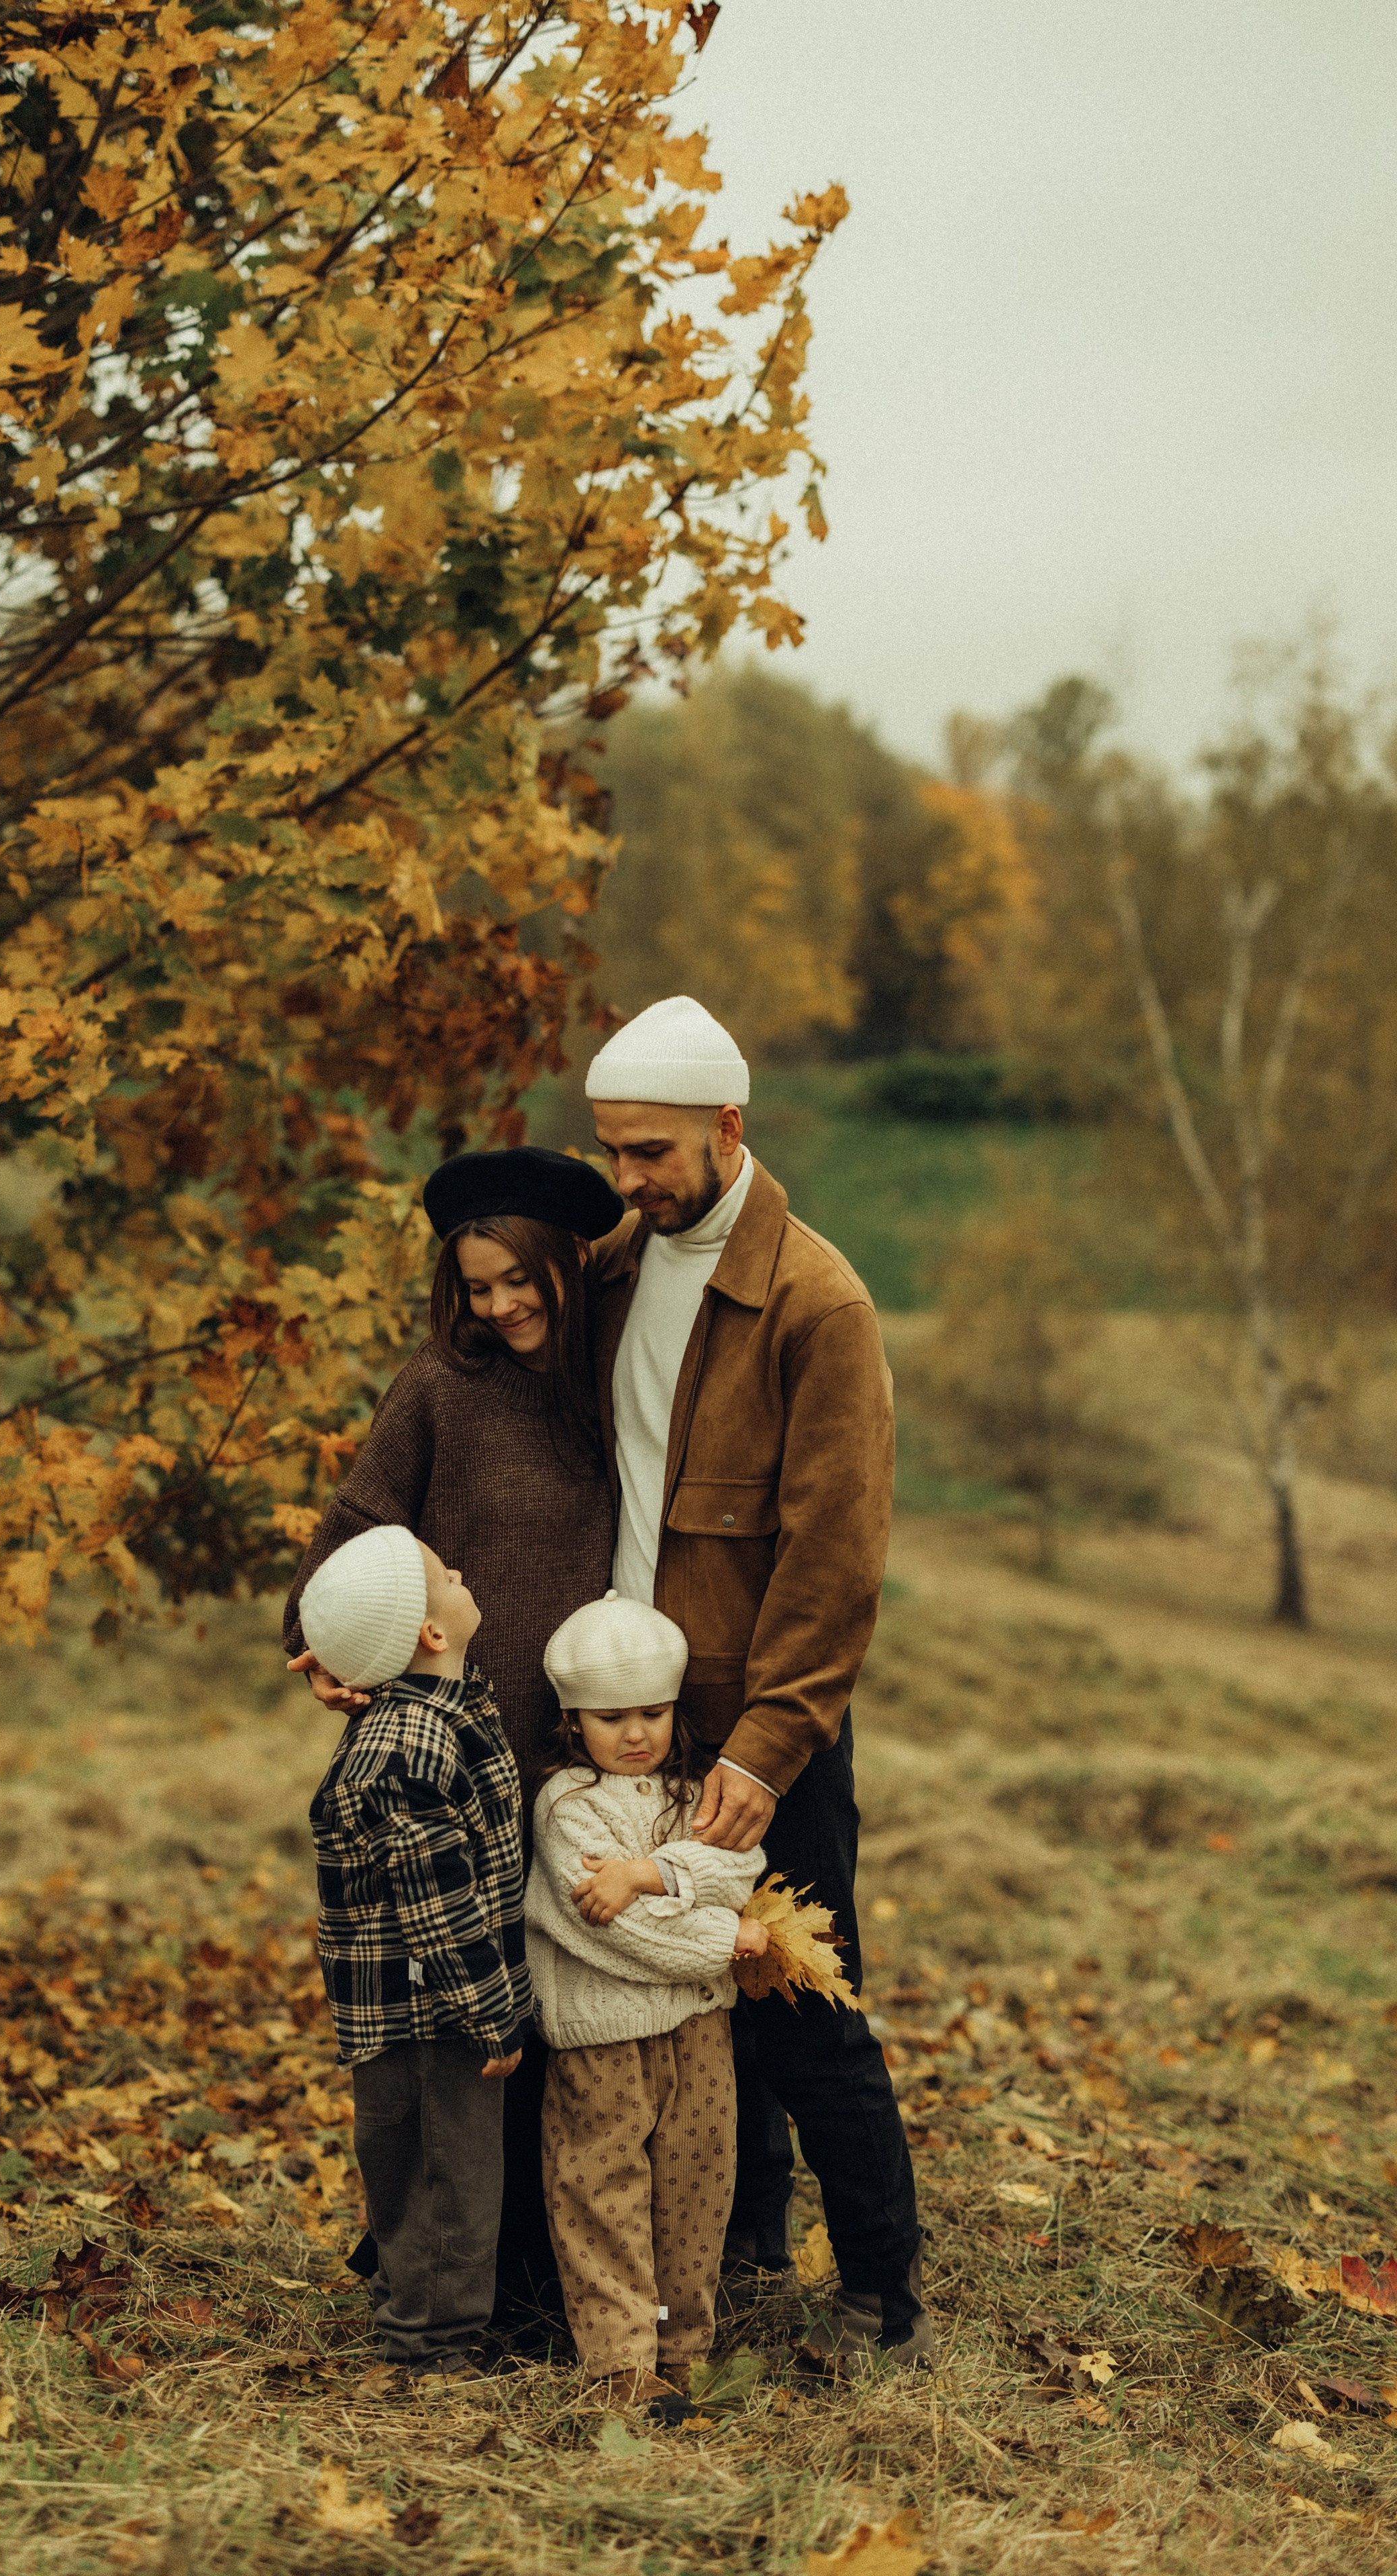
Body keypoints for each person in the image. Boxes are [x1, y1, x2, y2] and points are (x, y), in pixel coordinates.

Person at [583, 993, 933, 2368]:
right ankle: (735, 2246)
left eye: (652, 1153)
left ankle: (879, 2302)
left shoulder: (814, 1302)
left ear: (729, 1130)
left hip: (757, 1734)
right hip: (630, 1724)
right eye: (612, 1151)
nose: (627, 1180)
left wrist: (765, 1749)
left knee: (797, 2006)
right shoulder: (611, 1265)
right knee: (675, 2001)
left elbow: (834, 1562)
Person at [284, 1142, 626, 2323]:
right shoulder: (440, 1386)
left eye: (517, 1279)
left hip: (581, 1763)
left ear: (565, 1264)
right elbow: (346, 1538)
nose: (500, 1306)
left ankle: (554, 2270)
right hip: (464, 1761)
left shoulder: (611, 1381)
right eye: (477, 1286)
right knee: (473, 2032)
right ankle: (456, 2276)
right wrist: (328, 1651)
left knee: (577, 2017)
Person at [527, 1591, 770, 2411]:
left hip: (700, 2030)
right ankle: (619, 2359)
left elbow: (740, 1867)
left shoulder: (690, 1789)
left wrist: (654, 1873)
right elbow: (615, 1929)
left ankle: (678, 2341)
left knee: (696, 2181)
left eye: (652, 1712)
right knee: (603, 2188)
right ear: (573, 1722)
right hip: (604, 2035)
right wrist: (720, 1940)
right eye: (610, 1718)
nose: (635, 1734)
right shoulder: (567, 1806)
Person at [300, 1523, 528, 2375]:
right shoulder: (404, 1751)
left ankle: (429, 2321)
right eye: (445, 1574)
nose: (461, 1568)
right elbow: (438, 1909)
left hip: (437, 2006)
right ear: (431, 1634)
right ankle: (427, 2348)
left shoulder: (441, 1708)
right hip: (427, 2016)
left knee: (442, 2171)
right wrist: (491, 2018)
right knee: (444, 2179)